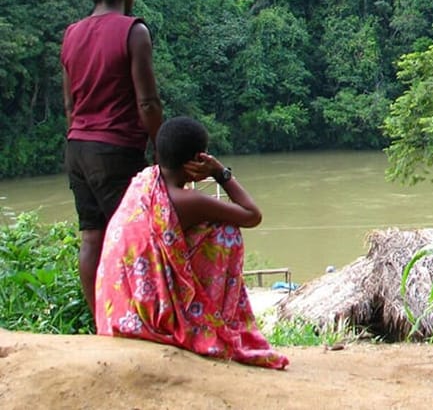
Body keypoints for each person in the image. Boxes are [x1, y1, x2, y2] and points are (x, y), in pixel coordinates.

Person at [95, 116, 289, 369]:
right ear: (198, 160)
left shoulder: (144, 182)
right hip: (149, 321)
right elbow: (252, 216)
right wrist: (221, 173)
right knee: (226, 231)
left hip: (114, 313)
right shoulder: (188, 201)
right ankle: (206, 318)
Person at [61, 0, 163, 315]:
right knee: (137, 233)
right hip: (116, 148)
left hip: (77, 147)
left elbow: (70, 105)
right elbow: (147, 102)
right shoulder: (133, 31)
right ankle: (138, 318)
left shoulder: (71, 35)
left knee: (92, 234)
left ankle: (100, 321)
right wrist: (161, 149)